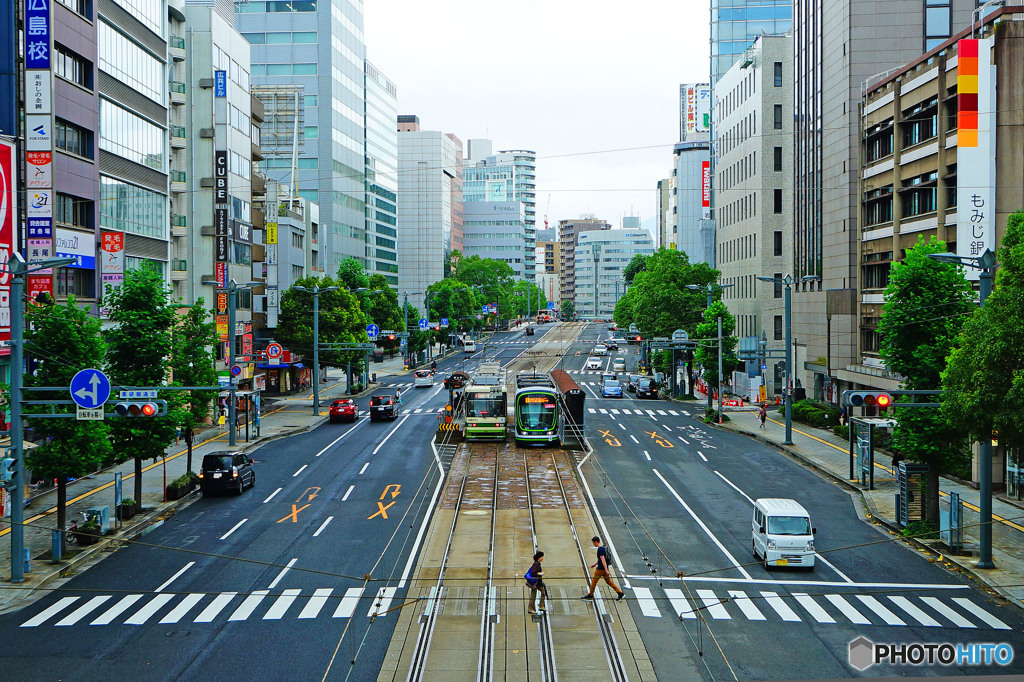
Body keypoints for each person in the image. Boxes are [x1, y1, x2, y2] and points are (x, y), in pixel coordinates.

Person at [581, 536, 624, 601]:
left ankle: (590, 595)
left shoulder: (600, 549)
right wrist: (595, 564)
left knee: (593, 582)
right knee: (608, 581)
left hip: (600, 570)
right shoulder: (603, 547)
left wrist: (606, 570)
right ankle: (620, 593)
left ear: (596, 542)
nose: (593, 544)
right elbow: (601, 560)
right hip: (605, 568)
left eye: (593, 543)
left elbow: (603, 559)